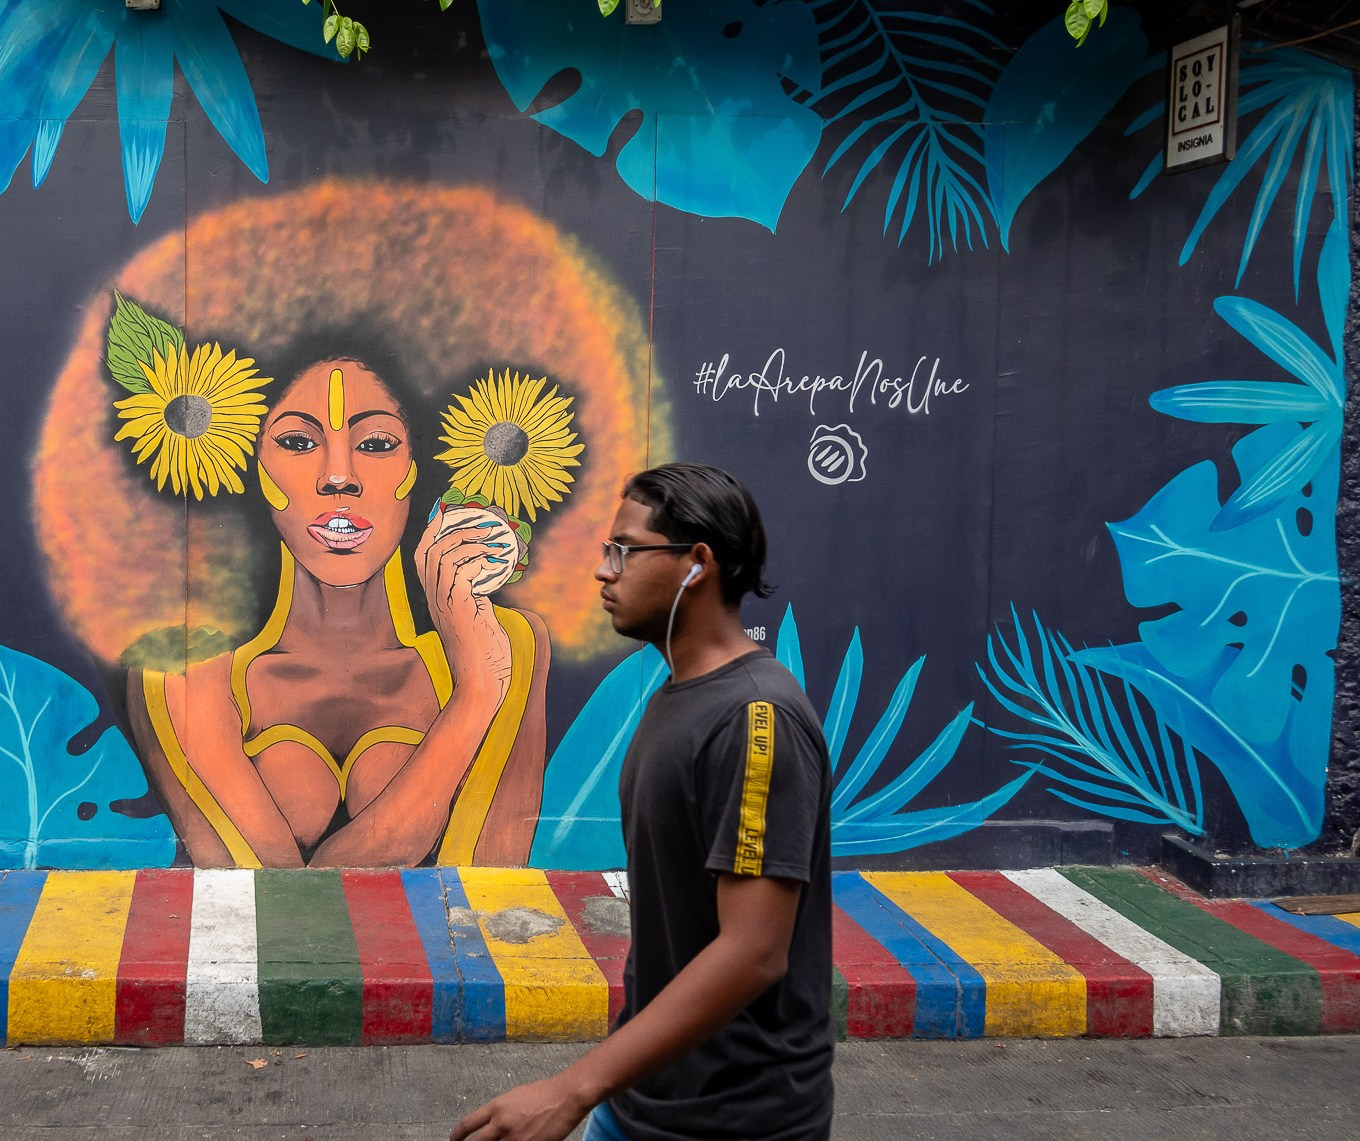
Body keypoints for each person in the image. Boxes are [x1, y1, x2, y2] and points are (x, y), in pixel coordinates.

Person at [453, 463, 834, 1141]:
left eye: (624, 551)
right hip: (643, 1103)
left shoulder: (753, 717)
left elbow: (753, 950)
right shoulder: (676, 698)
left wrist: (571, 1089)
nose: (605, 571)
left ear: (697, 563)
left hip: (732, 1122)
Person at [125, 355, 551, 867]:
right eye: (298, 443)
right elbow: (277, 903)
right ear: (258, 471)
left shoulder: (505, 644)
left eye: (375, 444)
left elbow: (491, 883)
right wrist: (477, 697)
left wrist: (482, 676)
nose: (339, 477)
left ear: (414, 469)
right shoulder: (184, 670)